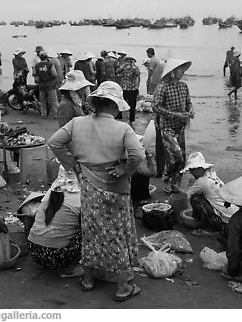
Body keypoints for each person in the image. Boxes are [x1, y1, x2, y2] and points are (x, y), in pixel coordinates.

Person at [47, 81, 144, 302]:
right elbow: (138, 156)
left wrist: (72, 162)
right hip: (116, 187)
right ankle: (122, 287)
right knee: (117, 233)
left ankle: (88, 280)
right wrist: (125, 170)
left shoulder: (77, 123)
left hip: (89, 186)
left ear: (97, 103)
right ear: (115, 106)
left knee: (90, 231)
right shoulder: (123, 128)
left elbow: (54, 142)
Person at [28, 166, 83, 276]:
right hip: (57, 257)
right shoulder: (80, 199)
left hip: (34, 250)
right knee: (90, 228)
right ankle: (74, 267)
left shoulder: (50, 194)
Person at [152, 58, 194, 193]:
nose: (182, 72)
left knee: (182, 158)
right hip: (167, 127)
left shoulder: (183, 86)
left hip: (180, 126)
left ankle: (174, 184)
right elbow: (156, 106)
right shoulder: (162, 86)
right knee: (176, 155)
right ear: (172, 72)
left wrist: (191, 110)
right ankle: (167, 176)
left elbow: (188, 102)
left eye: (183, 69)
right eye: (179, 70)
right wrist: (175, 115)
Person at [182, 152, 238, 248]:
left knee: (195, 199)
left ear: (202, 168)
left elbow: (189, 195)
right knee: (204, 196)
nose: (192, 172)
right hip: (233, 215)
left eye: (195, 169)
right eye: (191, 169)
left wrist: (190, 185)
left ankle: (212, 227)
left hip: (225, 221)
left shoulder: (202, 182)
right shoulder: (212, 174)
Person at [115, 56, 141, 123]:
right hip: (124, 88)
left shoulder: (135, 68)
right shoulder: (124, 67)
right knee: (121, 102)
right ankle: (119, 115)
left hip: (132, 89)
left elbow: (137, 73)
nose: (129, 62)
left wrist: (133, 66)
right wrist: (123, 66)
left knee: (132, 105)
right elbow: (117, 71)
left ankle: (132, 119)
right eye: (127, 60)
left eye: (130, 60)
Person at [34, 51, 59, 118]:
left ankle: (43, 114)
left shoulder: (37, 66)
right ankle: (56, 114)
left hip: (41, 85)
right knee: (53, 101)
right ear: (46, 57)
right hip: (50, 85)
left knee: (43, 101)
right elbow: (55, 74)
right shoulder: (50, 64)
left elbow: (35, 76)